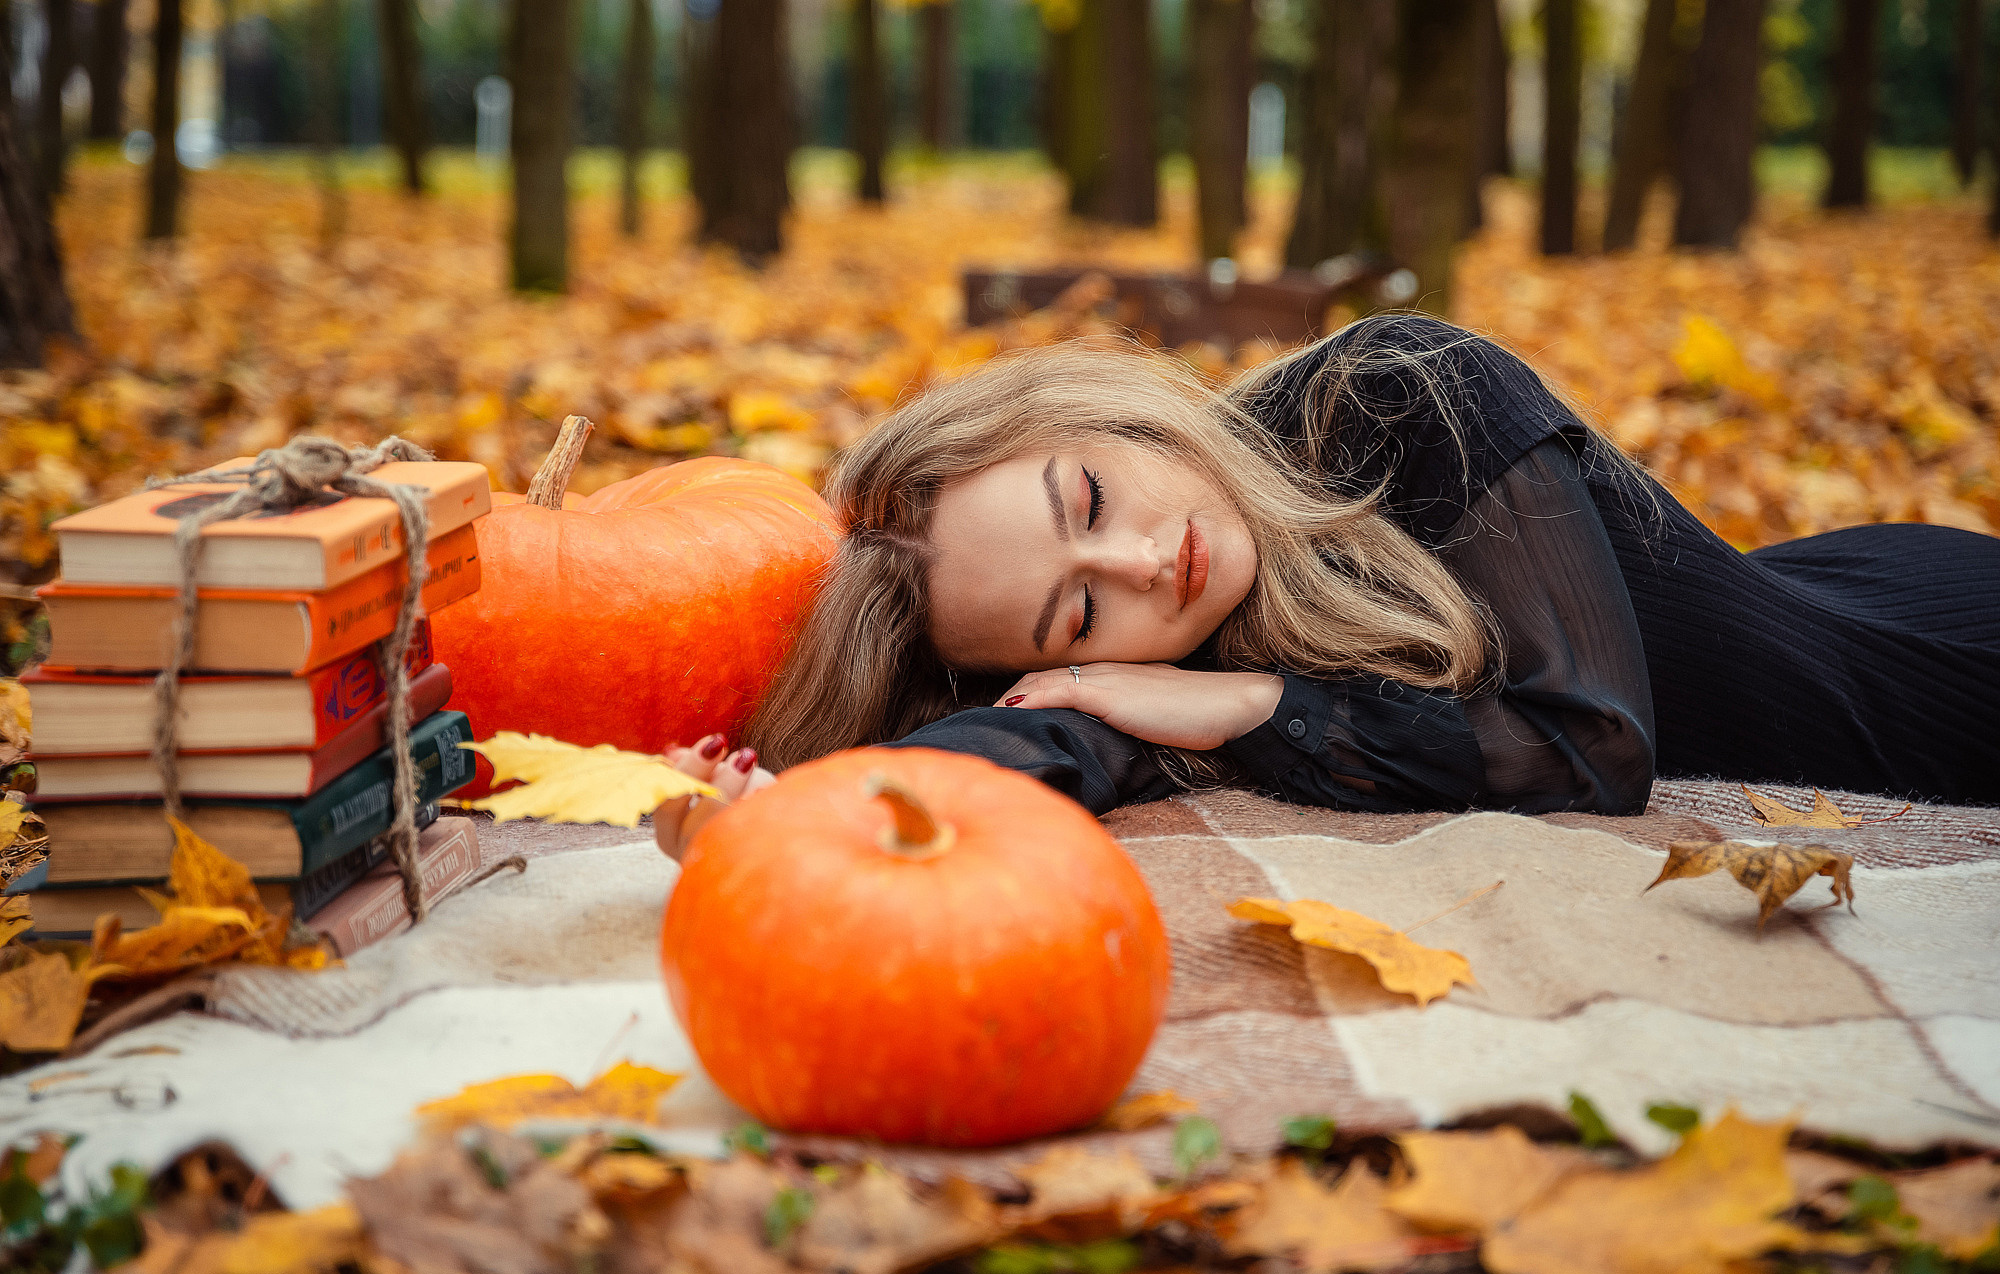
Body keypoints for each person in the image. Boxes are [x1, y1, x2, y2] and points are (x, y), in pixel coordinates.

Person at [654, 314, 2000, 858]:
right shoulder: (1155, 641)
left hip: (1941, 654)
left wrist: (1244, 705)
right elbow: (1056, 723)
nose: (1141, 564)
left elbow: (1589, 751)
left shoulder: (1411, 392)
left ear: (1098, 414)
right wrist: (810, 820)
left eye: (1091, 501)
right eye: (1080, 611)